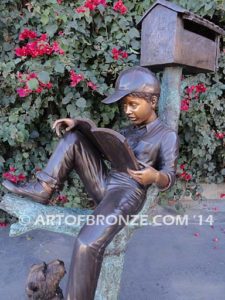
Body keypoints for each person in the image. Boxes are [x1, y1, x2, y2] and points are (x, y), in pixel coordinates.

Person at [2, 66, 179, 300]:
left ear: (153, 101)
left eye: (133, 104)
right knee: (74, 137)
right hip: (106, 182)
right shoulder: (128, 130)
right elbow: (104, 149)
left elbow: (170, 175)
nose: (127, 111)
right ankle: (43, 189)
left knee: (87, 243)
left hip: (128, 193)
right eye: (124, 105)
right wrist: (79, 124)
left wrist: (155, 177)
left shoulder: (166, 135)